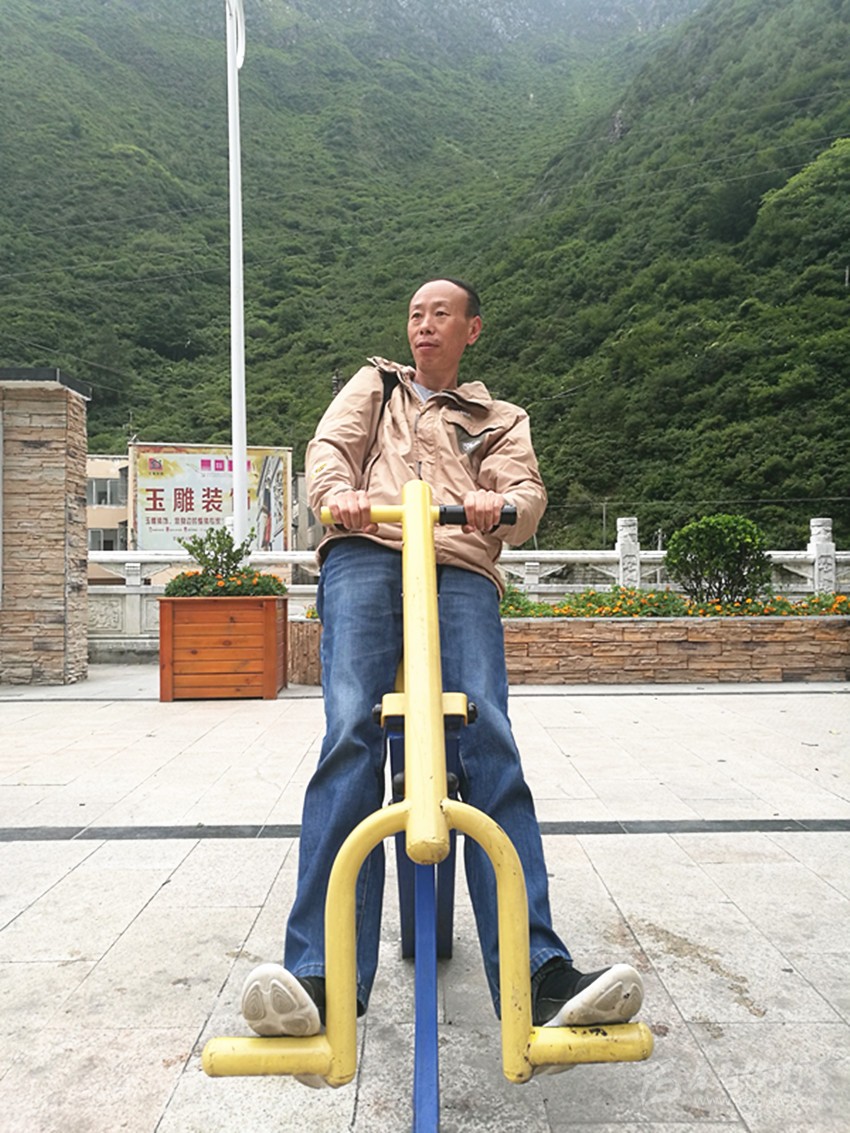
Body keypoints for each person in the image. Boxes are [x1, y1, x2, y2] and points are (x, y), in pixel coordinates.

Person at [240, 278, 644, 1081]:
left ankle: (538, 973)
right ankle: (319, 973)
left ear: (472, 329)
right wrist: (339, 497)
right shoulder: (378, 385)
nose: (424, 326)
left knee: (486, 735)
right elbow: (329, 449)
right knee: (351, 731)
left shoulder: (500, 418)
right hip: (366, 549)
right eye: (415, 315)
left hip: (457, 561)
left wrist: (499, 506)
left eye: (440, 315)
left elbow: (527, 494)